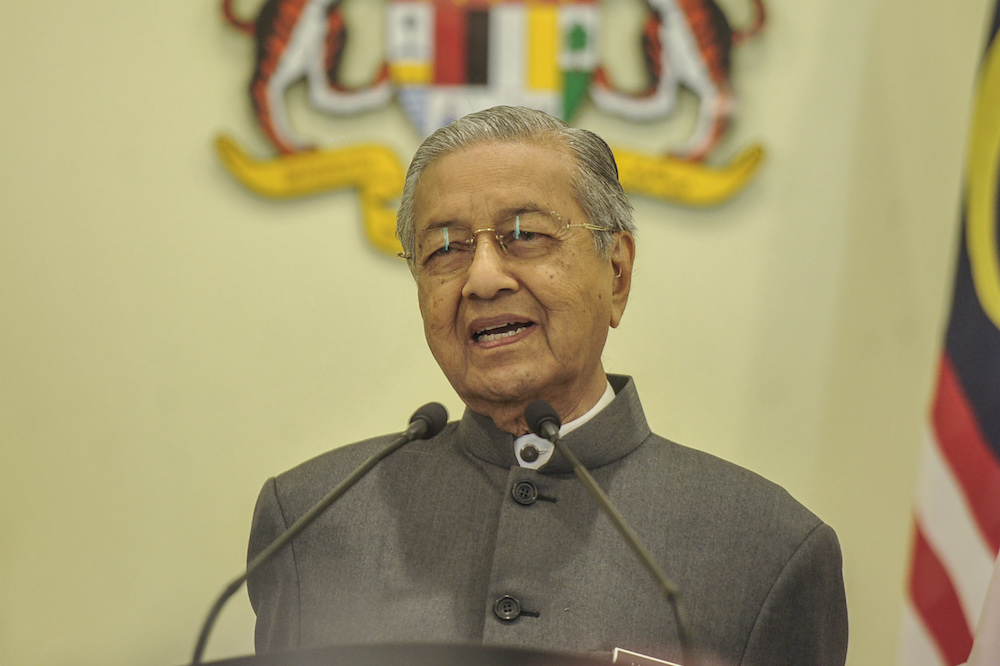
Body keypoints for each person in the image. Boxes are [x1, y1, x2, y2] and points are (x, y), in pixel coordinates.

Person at [246, 106, 848, 665]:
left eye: (525, 235)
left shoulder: (768, 550)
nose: (482, 279)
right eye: (445, 249)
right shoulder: (313, 522)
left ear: (617, 273)